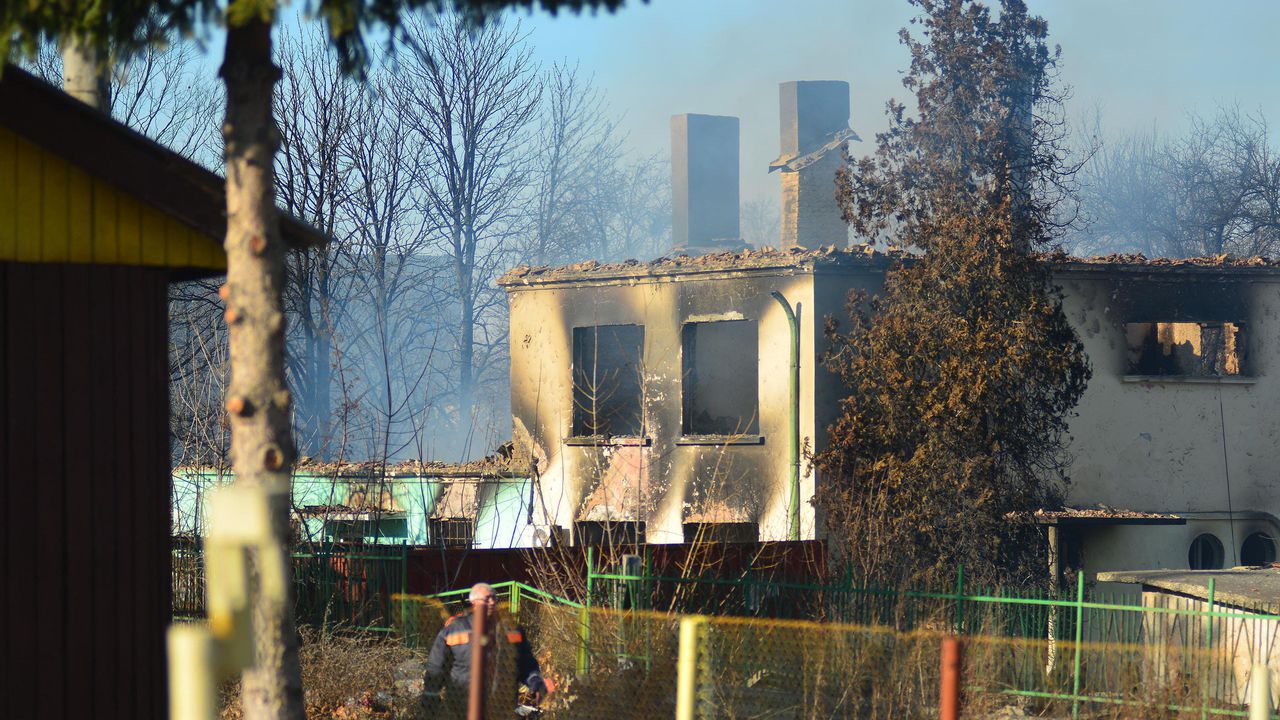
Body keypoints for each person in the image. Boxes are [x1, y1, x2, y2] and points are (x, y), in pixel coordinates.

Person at [424, 582, 548, 718]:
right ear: (473, 602)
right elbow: (436, 666)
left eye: (494, 598)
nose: (492, 602)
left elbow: (526, 662)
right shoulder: (454, 629)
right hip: (461, 707)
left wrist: (535, 681)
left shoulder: (511, 630)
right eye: (487, 598)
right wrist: (431, 694)